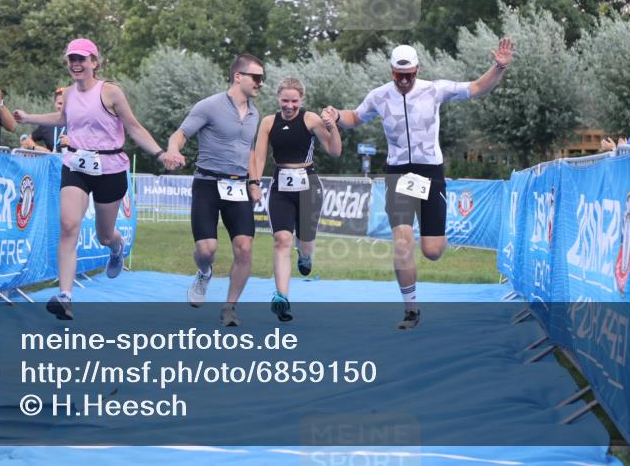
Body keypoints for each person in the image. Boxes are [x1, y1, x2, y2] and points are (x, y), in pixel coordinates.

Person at [322, 40, 515, 329]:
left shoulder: (433, 89)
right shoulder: (379, 96)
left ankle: (434, 234)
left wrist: (498, 67)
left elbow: (476, 88)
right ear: (391, 72)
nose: (404, 81)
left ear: (418, 70)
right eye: (399, 76)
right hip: (398, 172)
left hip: (429, 172)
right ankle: (411, 310)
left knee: (433, 251)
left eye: (409, 75)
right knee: (402, 241)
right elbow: (355, 118)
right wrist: (338, 116)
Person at [13, 39, 169, 320]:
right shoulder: (69, 93)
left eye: (82, 59)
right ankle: (65, 296)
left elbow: (133, 127)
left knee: (103, 235)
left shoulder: (110, 92)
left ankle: (116, 246)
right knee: (69, 224)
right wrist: (27, 118)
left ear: (94, 63)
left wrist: (160, 153)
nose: (76, 64)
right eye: (72, 59)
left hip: (110, 167)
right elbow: (61, 117)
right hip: (76, 163)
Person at [163, 54, 265, 328]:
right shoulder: (209, 106)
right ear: (238, 76)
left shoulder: (255, 114)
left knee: (244, 248)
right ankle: (204, 272)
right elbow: (180, 134)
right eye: (256, 77)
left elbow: (251, 151)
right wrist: (173, 150)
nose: (261, 83)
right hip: (207, 183)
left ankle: (230, 308)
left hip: (238, 187)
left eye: (263, 78)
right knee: (207, 249)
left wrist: (254, 182)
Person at [248, 77, 342, 321]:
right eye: (285, 101)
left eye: (294, 101)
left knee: (305, 241)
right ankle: (282, 297)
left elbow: (334, 151)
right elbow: (258, 157)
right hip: (280, 186)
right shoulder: (269, 122)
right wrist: (254, 182)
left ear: (302, 100)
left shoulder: (310, 119)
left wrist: (333, 127)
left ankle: (305, 255)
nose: (289, 106)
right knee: (281, 240)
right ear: (278, 99)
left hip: (308, 186)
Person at [22, 87, 68, 152]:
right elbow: (25, 140)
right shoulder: (47, 123)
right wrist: (35, 147)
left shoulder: (79, 124)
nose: (62, 107)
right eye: (60, 103)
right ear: (55, 103)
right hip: (51, 162)